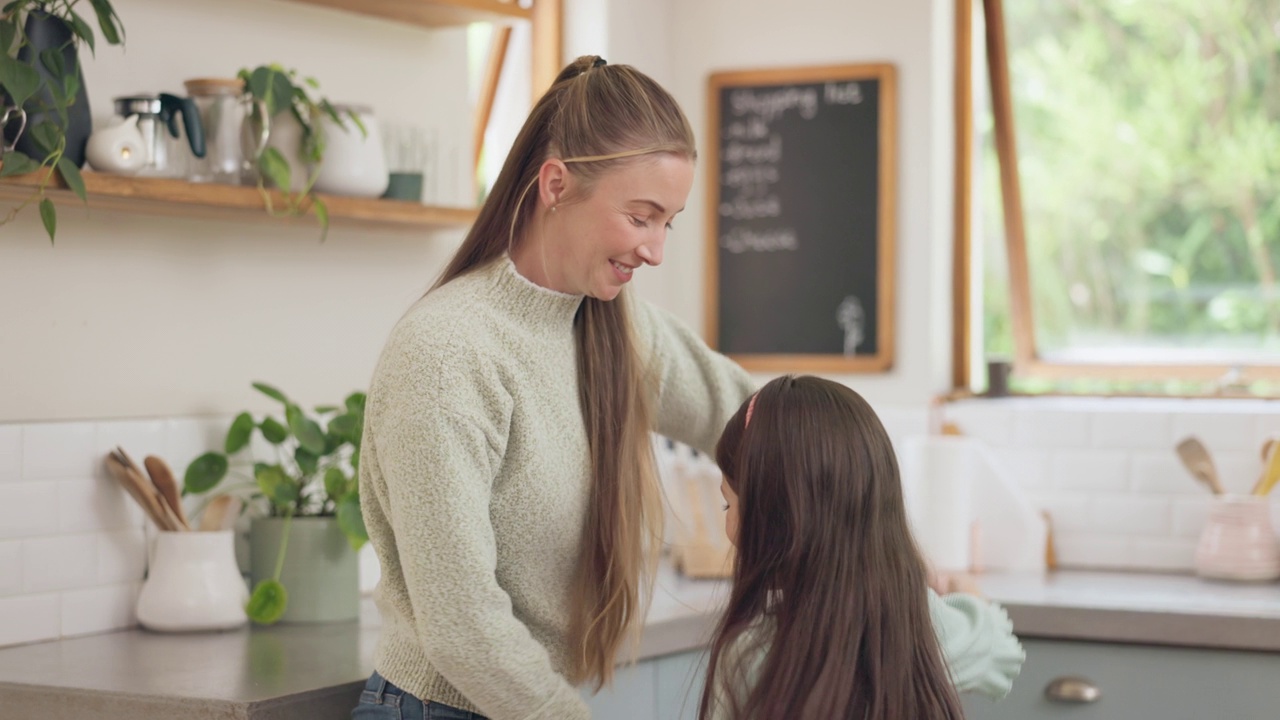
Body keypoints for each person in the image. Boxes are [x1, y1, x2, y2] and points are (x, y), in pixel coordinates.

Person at [353, 55, 757, 720]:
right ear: (556, 184)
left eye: (668, 222)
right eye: (640, 216)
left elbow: (747, 416)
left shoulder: (618, 329)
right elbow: (461, 624)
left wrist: (888, 546)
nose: (655, 250)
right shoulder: (449, 353)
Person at [701, 375, 1025, 720]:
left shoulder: (747, 656)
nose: (729, 527)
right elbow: (1002, 650)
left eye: (727, 506)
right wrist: (967, 593)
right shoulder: (923, 628)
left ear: (775, 516)